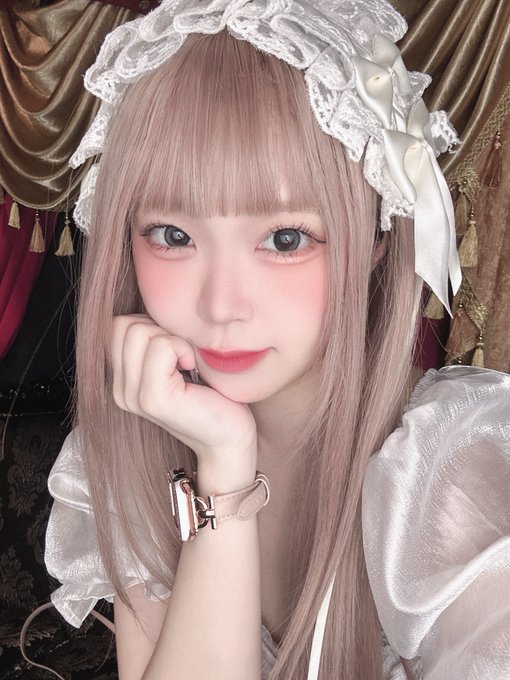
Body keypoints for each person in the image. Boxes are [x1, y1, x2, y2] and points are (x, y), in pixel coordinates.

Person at [43, 1, 510, 679]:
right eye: (173, 235)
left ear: (377, 237)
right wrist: (223, 469)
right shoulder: (136, 445)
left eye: (285, 239)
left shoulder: (451, 474)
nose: (220, 306)